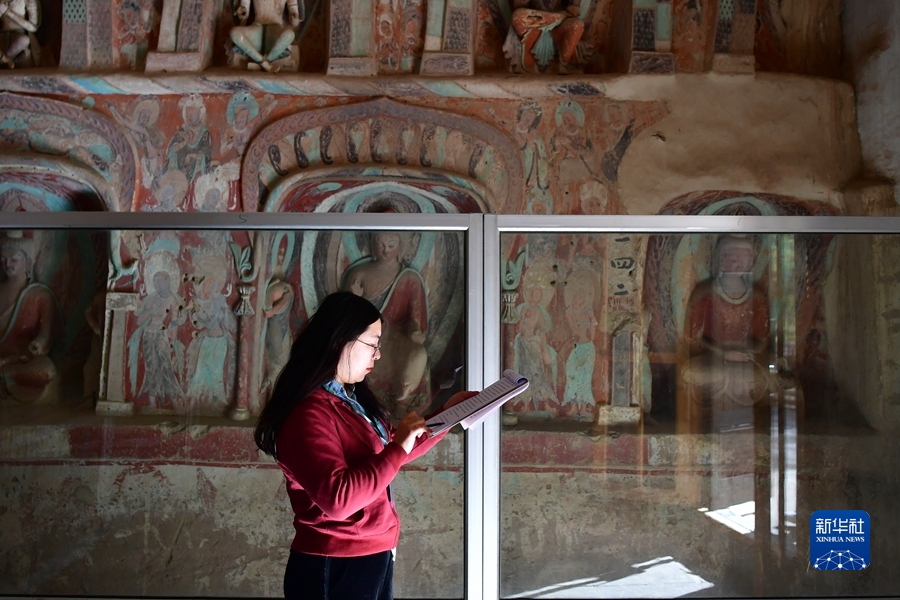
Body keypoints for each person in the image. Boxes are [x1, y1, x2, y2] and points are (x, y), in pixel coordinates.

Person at [255, 291, 475, 599]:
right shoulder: (307, 415)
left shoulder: (350, 400)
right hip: (334, 562)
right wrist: (398, 448)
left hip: (372, 554)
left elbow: (393, 448)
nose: (378, 355)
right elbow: (339, 500)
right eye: (373, 344)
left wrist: (449, 415)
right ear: (340, 342)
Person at [0, 231, 61, 403]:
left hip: (20, 360)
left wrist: (38, 343)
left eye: (14, 259)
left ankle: (4, 374)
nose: (7, 264)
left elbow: (46, 334)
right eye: (3, 259)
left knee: (46, 370)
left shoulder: (40, 295)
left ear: (27, 260)